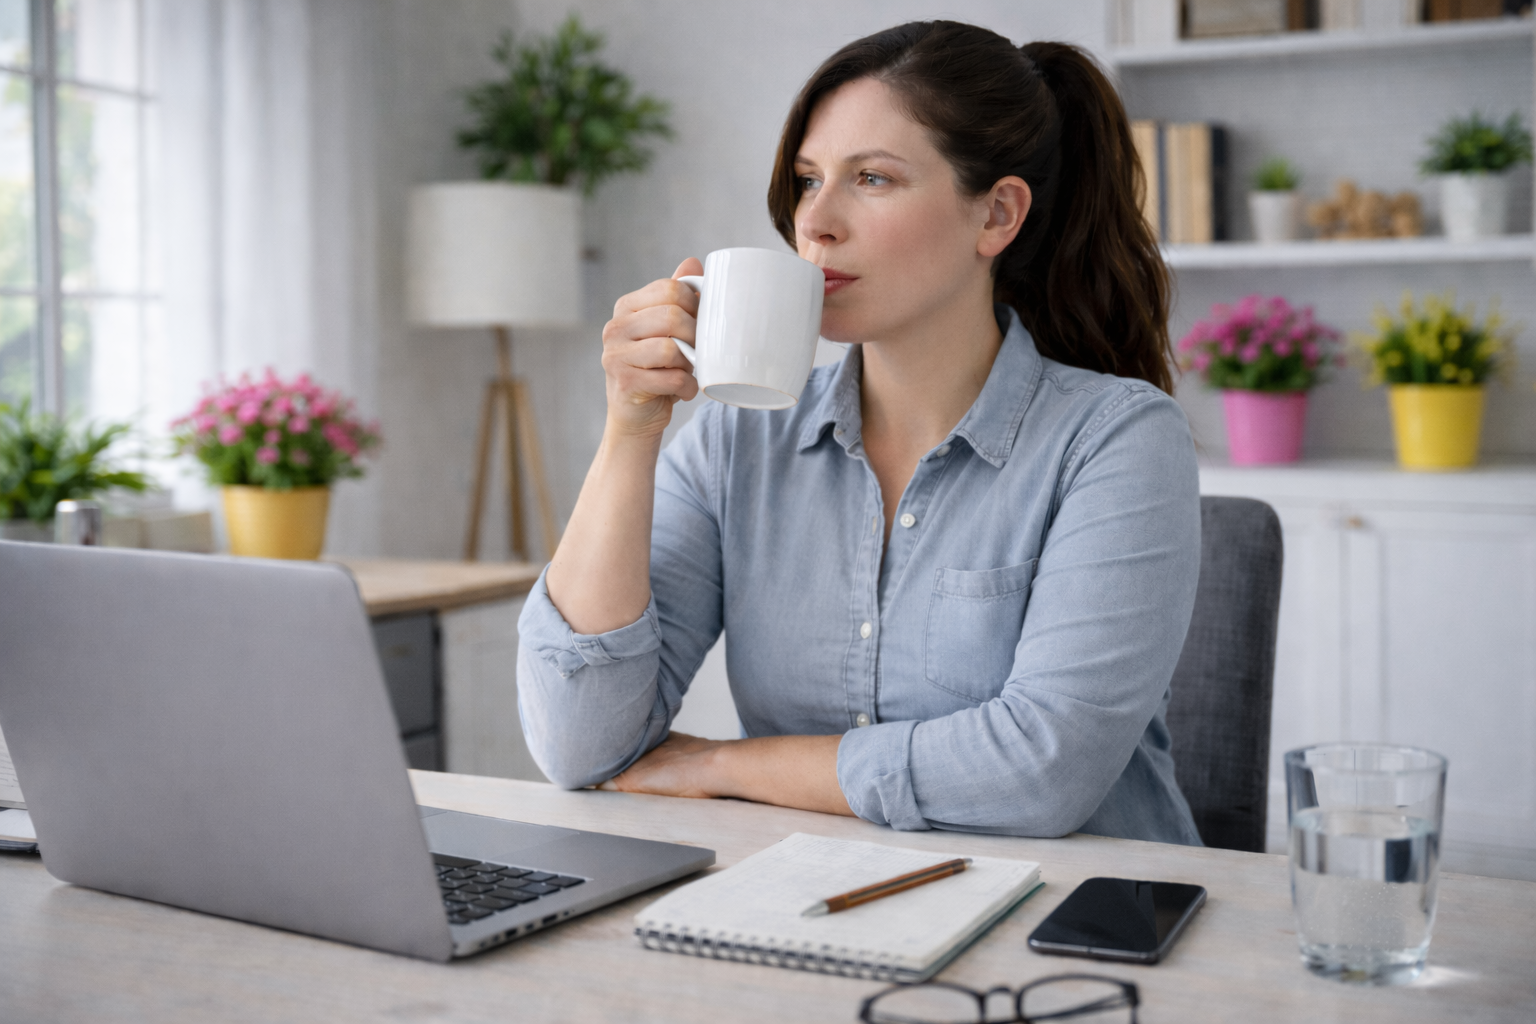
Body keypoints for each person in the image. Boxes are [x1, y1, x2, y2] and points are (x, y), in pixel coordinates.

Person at [516, 21, 1204, 845]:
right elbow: (580, 744)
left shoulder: (1118, 440)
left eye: (872, 178)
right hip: (818, 899)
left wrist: (722, 766)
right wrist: (632, 425)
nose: (817, 224)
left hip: (1082, 924)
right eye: (808, 181)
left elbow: (1040, 773)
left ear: (997, 215)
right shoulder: (737, 441)